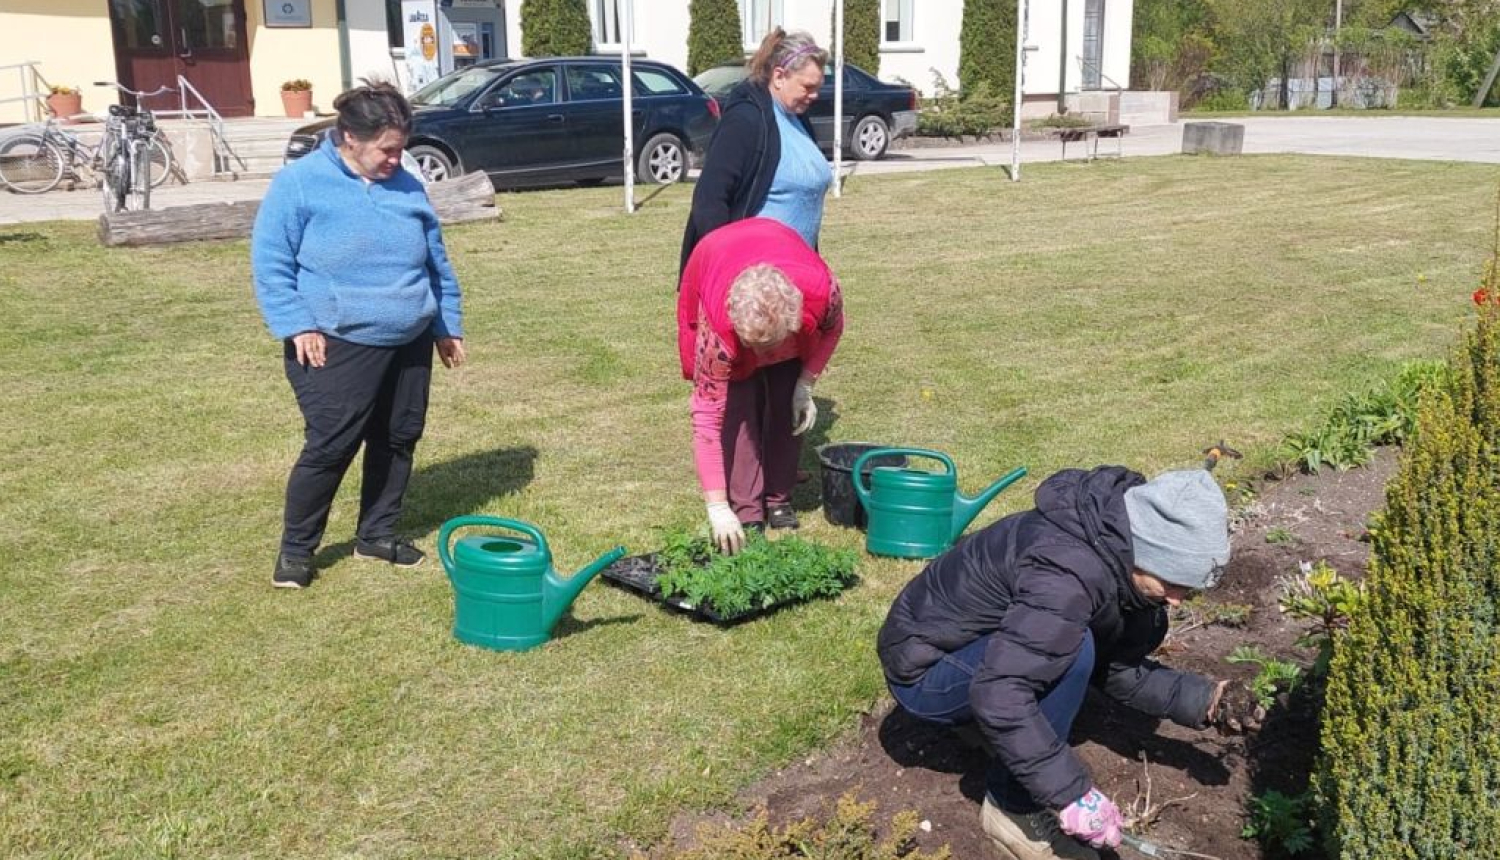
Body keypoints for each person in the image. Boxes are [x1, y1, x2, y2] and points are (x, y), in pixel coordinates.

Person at [876, 467, 1265, 860]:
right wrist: (1070, 795)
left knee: (1066, 648)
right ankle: (1012, 810)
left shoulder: (1113, 554)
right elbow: (1000, 693)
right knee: (1071, 652)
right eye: (1173, 581)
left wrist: (1205, 700)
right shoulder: (1066, 576)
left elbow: (1116, 669)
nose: (1178, 599)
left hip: (974, 649)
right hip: (925, 668)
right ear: (1146, 551)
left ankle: (997, 740)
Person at [252, 81, 466, 590]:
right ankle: (296, 552)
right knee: (330, 444)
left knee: (397, 438)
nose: (397, 158)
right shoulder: (300, 184)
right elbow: (270, 261)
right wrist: (297, 322)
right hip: (336, 338)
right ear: (349, 137)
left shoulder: (407, 183)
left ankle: (377, 535)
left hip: (409, 336)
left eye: (401, 148)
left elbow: (437, 262)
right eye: (386, 149)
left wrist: (445, 324)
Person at [678, 217, 844, 551]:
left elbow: (833, 330)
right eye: (753, 345)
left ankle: (778, 498)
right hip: (717, 257)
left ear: (795, 320)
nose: (761, 355)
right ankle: (746, 509)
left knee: (786, 402)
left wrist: (806, 383)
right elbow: (707, 419)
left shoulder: (822, 292)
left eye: (769, 346)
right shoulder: (719, 331)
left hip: (779, 247)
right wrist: (716, 506)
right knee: (738, 410)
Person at [679, 28, 832, 272]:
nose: (815, 95)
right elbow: (709, 199)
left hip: (797, 272)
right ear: (780, 76)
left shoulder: (798, 118)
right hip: (755, 279)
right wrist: (730, 266)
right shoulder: (745, 121)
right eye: (807, 87)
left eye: (818, 87)